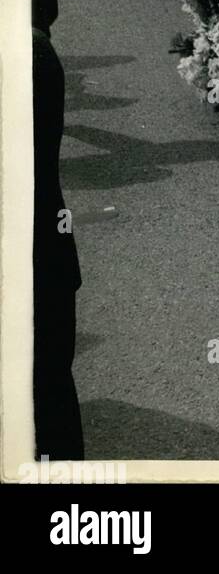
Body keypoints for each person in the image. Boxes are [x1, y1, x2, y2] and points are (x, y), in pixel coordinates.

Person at [33, 28, 84, 459]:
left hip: (33, 263)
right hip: (47, 259)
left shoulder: (32, 57)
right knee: (51, 392)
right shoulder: (37, 52)